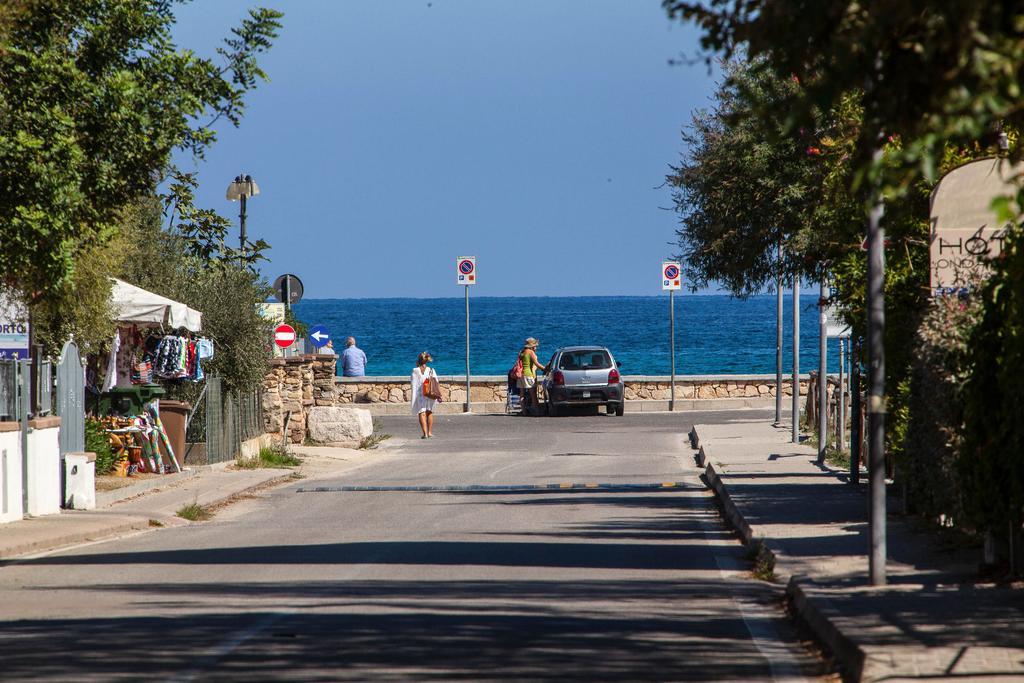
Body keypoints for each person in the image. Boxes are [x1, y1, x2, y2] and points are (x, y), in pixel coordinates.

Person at [411, 351, 438, 438]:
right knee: (429, 412)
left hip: (420, 395)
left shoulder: (415, 371)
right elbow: (436, 382)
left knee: (421, 412)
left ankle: (425, 433)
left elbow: (413, 384)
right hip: (429, 394)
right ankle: (429, 432)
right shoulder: (431, 370)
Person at [518, 337, 547, 412]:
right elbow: (536, 363)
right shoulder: (530, 352)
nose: (536, 347)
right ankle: (537, 411)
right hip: (528, 375)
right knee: (533, 395)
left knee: (522, 395)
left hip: (521, 375)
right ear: (532, 345)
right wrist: (545, 369)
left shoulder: (522, 352)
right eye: (535, 345)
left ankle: (524, 411)